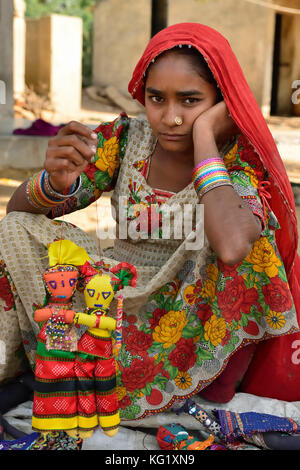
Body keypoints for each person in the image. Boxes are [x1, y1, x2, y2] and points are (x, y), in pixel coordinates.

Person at [1, 23, 299, 425]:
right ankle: (50, 363)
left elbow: (232, 246)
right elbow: (18, 214)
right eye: (157, 98)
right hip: (113, 299)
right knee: (16, 228)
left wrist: (206, 138)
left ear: (221, 104)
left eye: (191, 101)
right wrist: (54, 183)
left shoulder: (238, 158)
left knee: (246, 238)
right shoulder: (124, 139)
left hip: (187, 316)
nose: (171, 117)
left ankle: (192, 382)